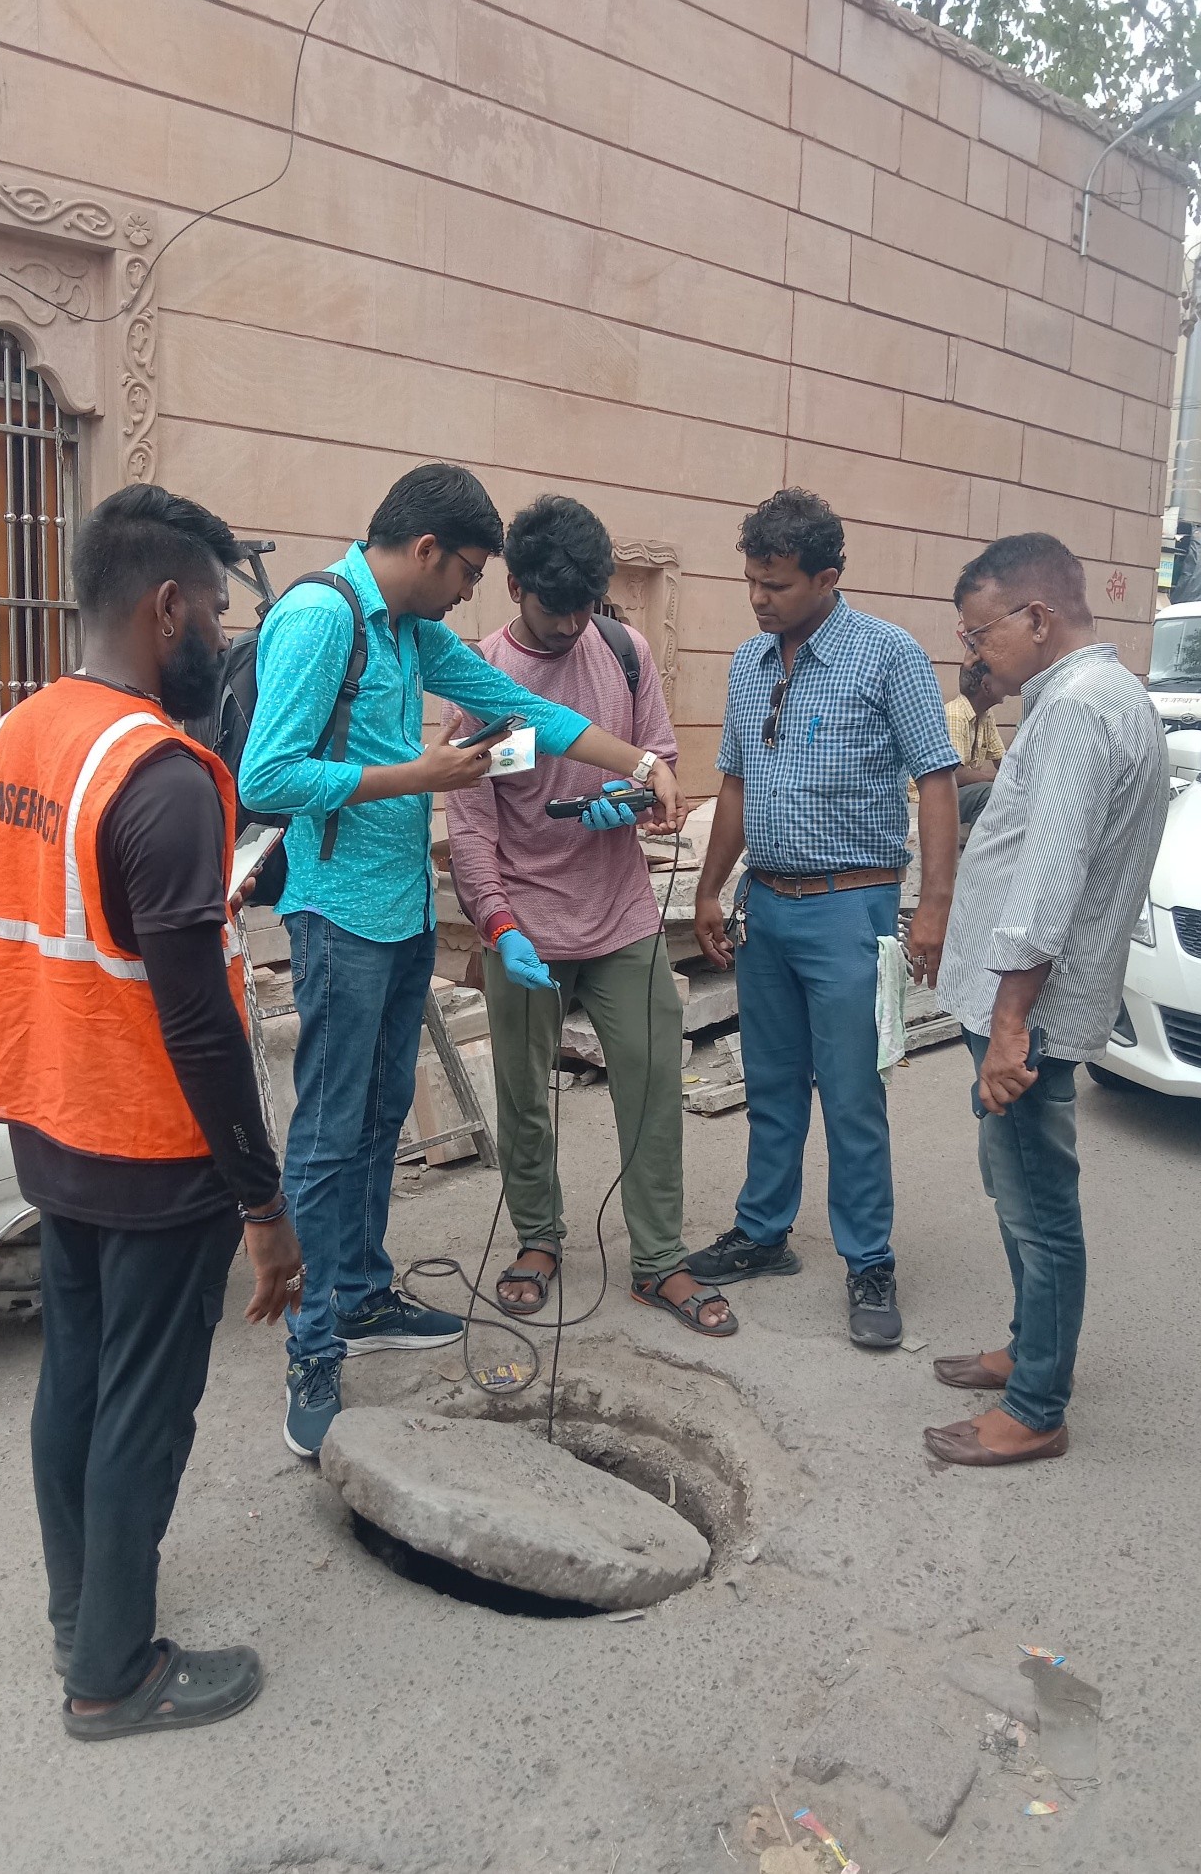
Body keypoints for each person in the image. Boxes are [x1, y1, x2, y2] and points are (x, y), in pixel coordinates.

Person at [0, 484, 303, 1739]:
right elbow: (198, 1021)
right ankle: (113, 1671)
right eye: (211, 604)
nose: (217, 625)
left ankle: (76, 1607)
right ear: (167, 607)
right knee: (145, 1403)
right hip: (152, 1150)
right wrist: (262, 1198)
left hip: (42, 1123)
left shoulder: (5, 744)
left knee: (78, 1377)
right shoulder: (164, 777)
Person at [239, 464, 685, 1458]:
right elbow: (264, 775)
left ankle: (360, 1290)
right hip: (336, 913)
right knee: (327, 1128)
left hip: (399, 915)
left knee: (377, 1117)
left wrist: (639, 766)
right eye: (469, 571)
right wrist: (421, 774)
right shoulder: (321, 618)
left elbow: (524, 712)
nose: (470, 593)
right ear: (428, 549)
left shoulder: (411, 633)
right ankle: (313, 1346)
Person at [446, 495, 734, 1338]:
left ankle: (659, 1259)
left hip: (622, 917)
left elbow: (664, 765)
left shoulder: (623, 649)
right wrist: (498, 923)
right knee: (523, 1093)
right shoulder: (481, 677)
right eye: (555, 606)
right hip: (523, 925)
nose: (574, 622)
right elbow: (471, 818)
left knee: (651, 1085)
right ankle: (537, 1238)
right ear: (512, 586)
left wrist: (640, 800)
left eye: (587, 604)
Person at [688, 487, 960, 1347]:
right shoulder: (748, 662)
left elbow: (937, 781)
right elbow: (734, 782)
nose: (759, 598)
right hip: (767, 905)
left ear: (827, 576)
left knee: (851, 1094)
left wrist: (934, 909)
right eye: (751, 581)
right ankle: (765, 1231)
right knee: (770, 1086)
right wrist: (708, 886)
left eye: (776, 583)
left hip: (854, 906)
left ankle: (868, 1258)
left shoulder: (888, 657)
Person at [926, 533, 1166, 1466]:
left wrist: (1010, 1023)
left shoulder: (1074, 713)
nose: (974, 652)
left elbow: (1050, 877)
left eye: (981, 633)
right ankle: (1029, 1346)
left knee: (1037, 1205)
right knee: (1016, 1182)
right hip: (1030, 1004)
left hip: (1029, 1012)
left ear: (1037, 617)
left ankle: (1036, 1405)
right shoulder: (1104, 695)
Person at [947, 656, 1008, 830]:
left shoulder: (986, 715)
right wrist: (999, 779)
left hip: (959, 793)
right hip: (937, 797)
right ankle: (978, 854)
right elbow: (955, 775)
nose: (1005, 682)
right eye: (999, 677)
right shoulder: (955, 715)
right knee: (988, 793)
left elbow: (1002, 761)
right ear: (986, 686)